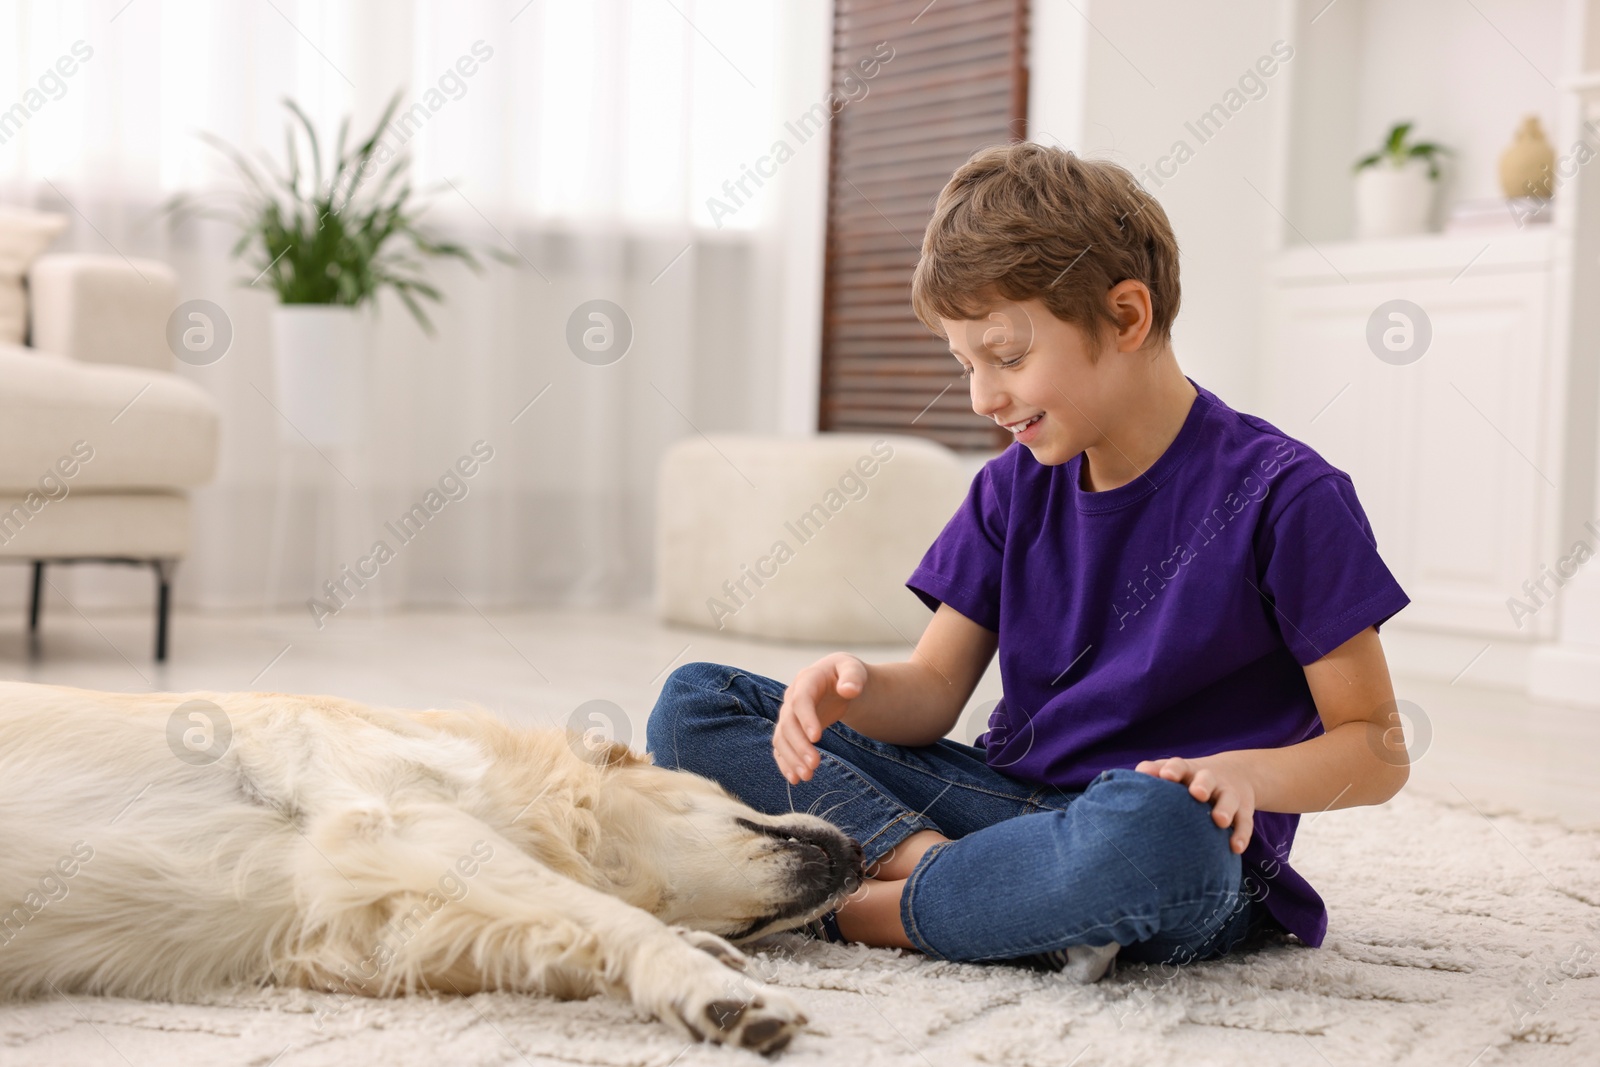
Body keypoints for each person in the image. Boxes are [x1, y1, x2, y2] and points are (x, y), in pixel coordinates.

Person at [645, 142, 1411, 982]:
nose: (982, 397)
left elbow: (1374, 748)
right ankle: (967, 885)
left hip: (1181, 840)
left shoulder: (1287, 495)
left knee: (1158, 828)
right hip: (1004, 805)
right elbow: (934, 692)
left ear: (1127, 317)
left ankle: (865, 906)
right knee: (696, 703)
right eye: (965, 363)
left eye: (1007, 358)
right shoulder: (1010, 488)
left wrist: (1241, 775)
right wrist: (855, 686)